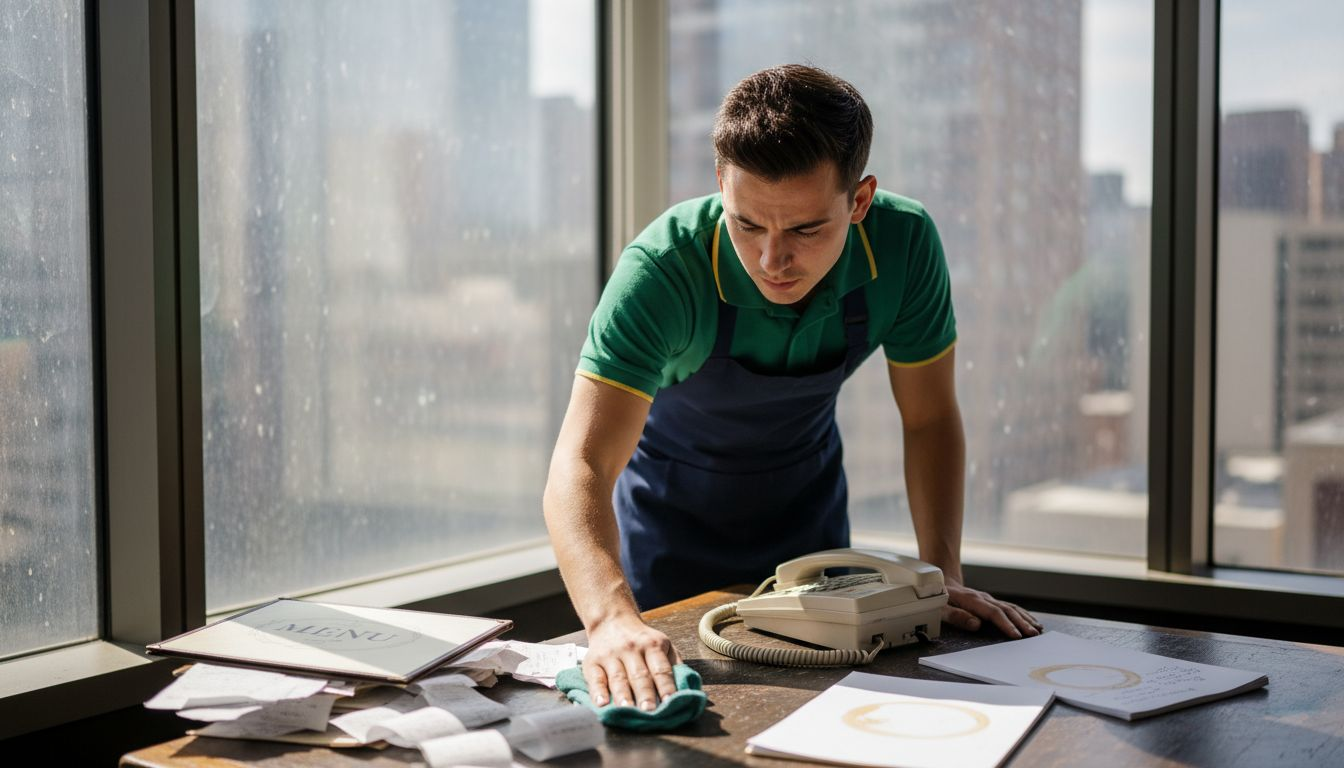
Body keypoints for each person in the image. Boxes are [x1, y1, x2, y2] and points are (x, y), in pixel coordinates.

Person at [542, 64, 1041, 714]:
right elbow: (580, 462)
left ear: (859, 202)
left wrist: (937, 577)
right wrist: (609, 620)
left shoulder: (905, 245)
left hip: (815, 549)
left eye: (805, 230)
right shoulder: (662, 273)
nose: (772, 260)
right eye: (748, 225)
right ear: (721, 183)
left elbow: (929, 419)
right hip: (666, 556)